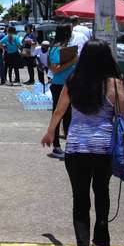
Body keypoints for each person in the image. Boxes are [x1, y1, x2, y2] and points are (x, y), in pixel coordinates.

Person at [41, 39, 124, 246]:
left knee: (80, 199)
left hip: (76, 147)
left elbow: (59, 111)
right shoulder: (114, 83)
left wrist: (50, 133)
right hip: (103, 149)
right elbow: (122, 119)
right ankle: (100, 244)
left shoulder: (73, 81)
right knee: (102, 193)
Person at [48, 25, 77, 159]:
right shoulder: (56, 48)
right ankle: (56, 146)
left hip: (69, 85)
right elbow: (55, 69)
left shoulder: (66, 47)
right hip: (59, 86)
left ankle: (68, 145)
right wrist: (72, 61)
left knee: (68, 116)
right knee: (58, 115)